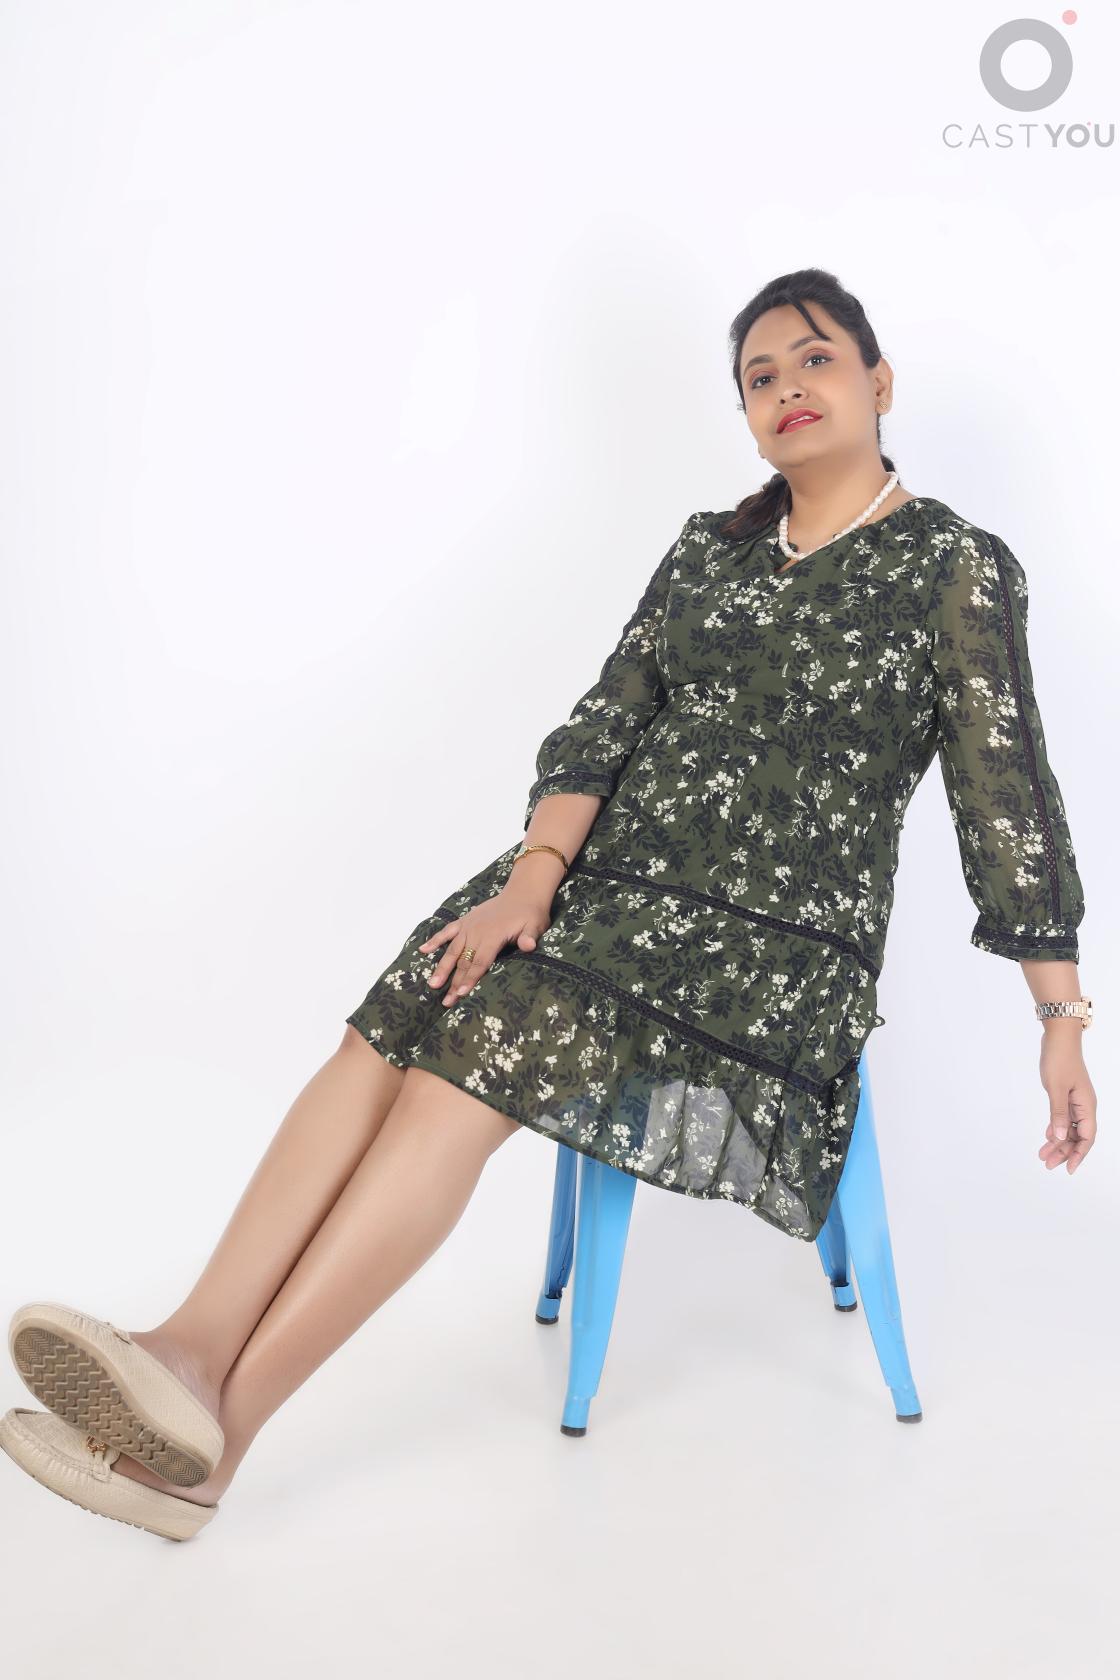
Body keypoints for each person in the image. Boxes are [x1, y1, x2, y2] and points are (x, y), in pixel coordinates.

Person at [1, 267, 1096, 1541]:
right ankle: (184, 1352)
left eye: (814, 360)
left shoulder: (952, 565)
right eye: (759, 377)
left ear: (877, 381)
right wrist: (529, 885)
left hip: (766, 944)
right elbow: (604, 725)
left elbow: (1005, 793)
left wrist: (1059, 1018)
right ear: (746, 417)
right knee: (398, 1020)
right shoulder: (709, 551)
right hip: (603, 882)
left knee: (463, 1071)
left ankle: (215, 1447)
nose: (787, 388)